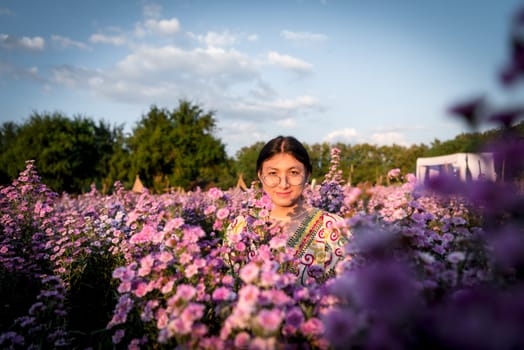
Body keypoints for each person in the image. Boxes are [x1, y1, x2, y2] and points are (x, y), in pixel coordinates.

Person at [227, 135, 349, 285]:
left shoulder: (335, 228)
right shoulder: (240, 227)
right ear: (260, 175)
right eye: (273, 173)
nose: (283, 184)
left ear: (307, 175)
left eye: (293, 173)